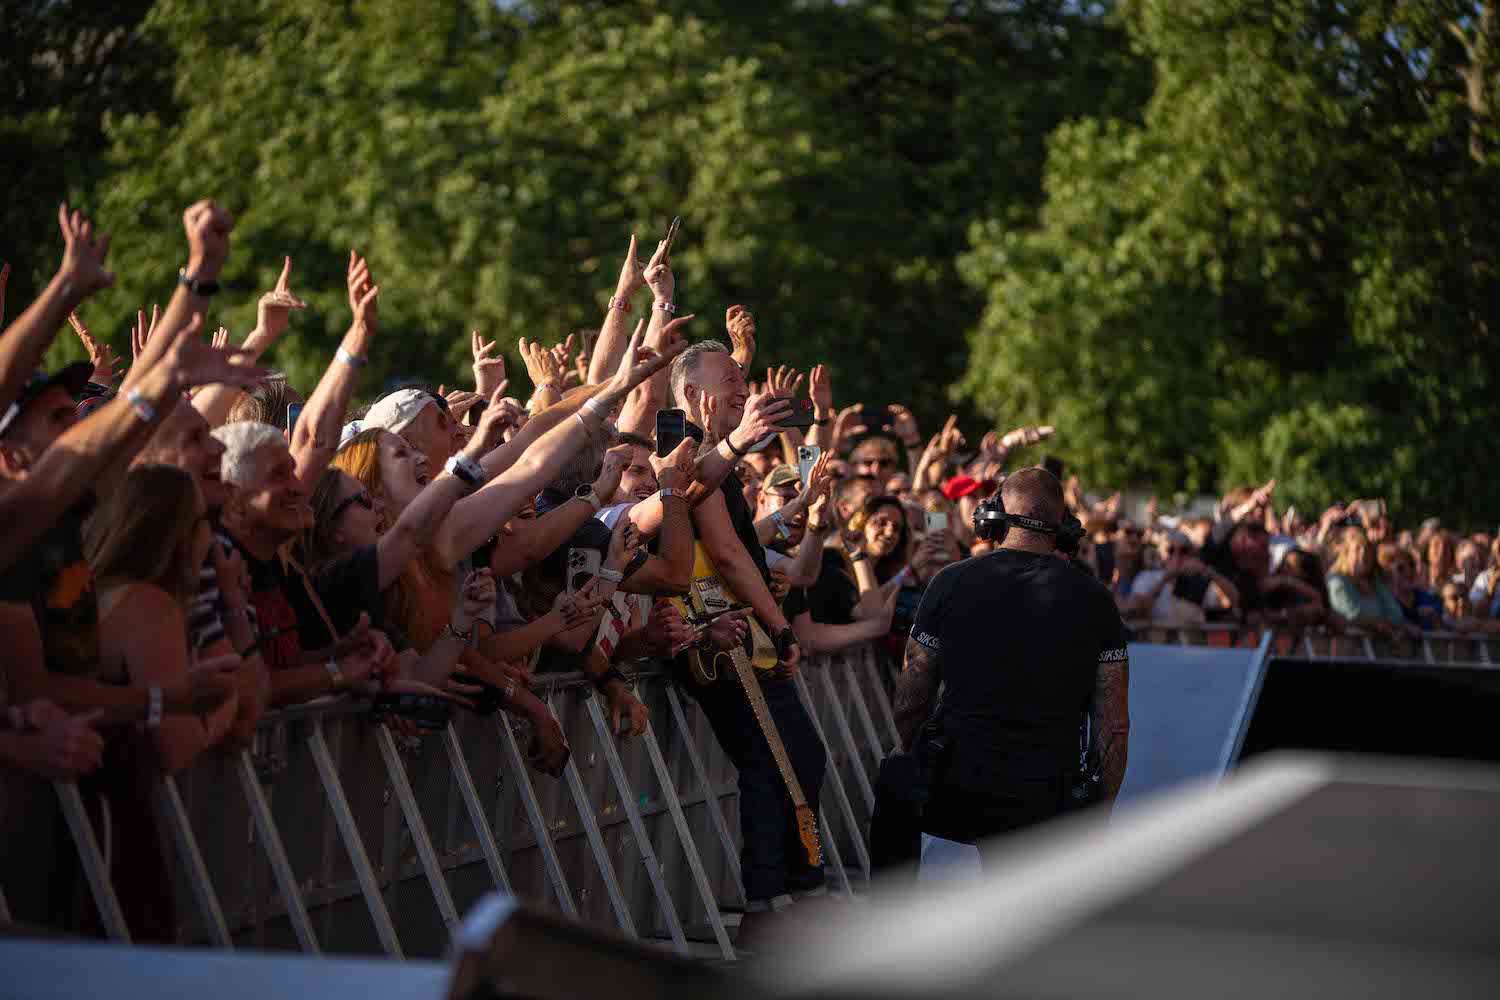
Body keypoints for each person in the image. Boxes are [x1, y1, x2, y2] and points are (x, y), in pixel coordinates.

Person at [891, 467, 1130, 872]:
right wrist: (1100, 814)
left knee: (892, 788)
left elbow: (914, 688)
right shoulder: (1096, 600)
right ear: (1066, 528)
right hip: (1047, 788)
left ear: (993, 517)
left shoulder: (950, 582)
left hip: (961, 780)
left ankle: (886, 919)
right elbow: (1115, 724)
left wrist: (904, 758)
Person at [1326, 528, 1407, 632]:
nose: (1363, 555)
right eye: (1357, 549)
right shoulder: (1337, 581)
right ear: (1346, 553)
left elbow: (1396, 616)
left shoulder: (1374, 583)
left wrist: (1375, 582)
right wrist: (1379, 623)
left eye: (1368, 551)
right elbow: (1352, 614)